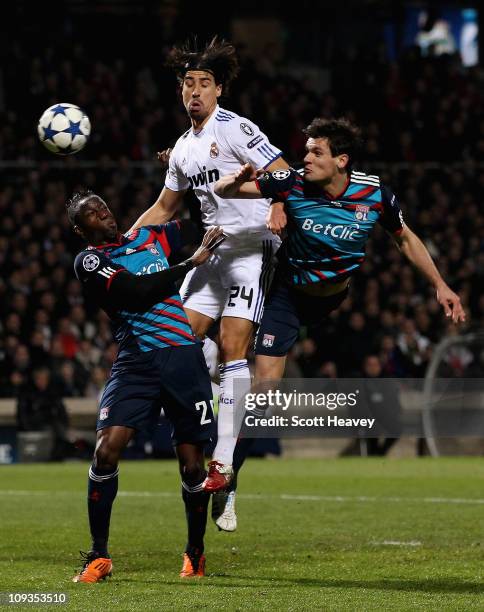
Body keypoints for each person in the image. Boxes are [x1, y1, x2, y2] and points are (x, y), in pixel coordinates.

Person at [132, 38, 288, 524]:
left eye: (204, 83)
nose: (195, 91)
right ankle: (200, 431)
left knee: (232, 344)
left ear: (218, 89)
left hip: (251, 248)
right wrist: (124, 242)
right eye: (188, 84)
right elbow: (164, 207)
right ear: (180, 93)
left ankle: (223, 463)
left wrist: (279, 204)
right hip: (213, 252)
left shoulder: (236, 127)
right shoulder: (182, 147)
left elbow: (283, 170)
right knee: (176, 336)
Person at [215, 117, 466, 384]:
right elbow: (223, 190)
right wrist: (236, 178)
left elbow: (404, 239)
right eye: (307, 151)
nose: (306, 158)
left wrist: (440, 284)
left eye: (317, 152)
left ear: (341, 160)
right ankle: (248, 425)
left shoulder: (373, 193)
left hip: (335, 299)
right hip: (288, 295)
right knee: (265, 385)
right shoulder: (291, 181)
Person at [67, 190, 224, 581]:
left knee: (192, 466)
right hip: (137, 361)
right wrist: (190, 263)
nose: (103, 213)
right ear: (80, 229)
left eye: (103, 206)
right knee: (105, 452)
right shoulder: (91, 261)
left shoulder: (149, 238)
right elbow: (135, 292)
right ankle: (99, 556)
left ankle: (195, 553)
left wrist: (183, 176)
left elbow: (195, 218)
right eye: (92, 213)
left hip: (183, 358)